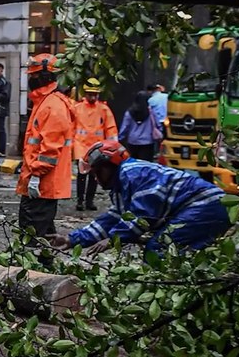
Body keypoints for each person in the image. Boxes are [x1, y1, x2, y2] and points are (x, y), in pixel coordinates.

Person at [51, 139, 231, 254]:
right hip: (206, 206)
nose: (97, 179)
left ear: (111, 165)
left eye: (99, 173)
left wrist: (114, 239)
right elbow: (112, 218)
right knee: (179, 250)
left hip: (207, 206)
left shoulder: (134, 174)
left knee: (159, 248)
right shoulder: (124, 182)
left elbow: (142, 216)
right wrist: (73, 239)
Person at [17, 53, 75, 242]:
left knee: (32, 236)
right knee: (43, 234)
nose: (31, 79)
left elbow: (50, 150)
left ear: (45, 77)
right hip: (41, 183)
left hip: (43, 184)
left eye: (33, 76)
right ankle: (44, 267)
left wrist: (35, 175)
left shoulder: (53, 106)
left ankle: (35, 270)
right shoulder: (45, 102)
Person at [72, 78, 118, 211]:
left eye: (94, 94)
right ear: (85, 93)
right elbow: (71, 127)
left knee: (94, 176)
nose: (92, 96)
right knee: (82, 175)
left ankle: (89, 201)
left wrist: (112, 148)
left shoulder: (104, 109)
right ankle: (80, 201)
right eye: (90, 94)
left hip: (97, 147)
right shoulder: (77, 109)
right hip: (81, 146)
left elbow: (111, 129)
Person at [119, 90, 162, 161]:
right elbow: (158, 124)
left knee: (134, 164)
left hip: (132, 142)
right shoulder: (151, 112)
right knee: (146, 165)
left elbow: (125, 127)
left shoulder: (129, 112)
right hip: (147, 143)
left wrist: (120, 139)